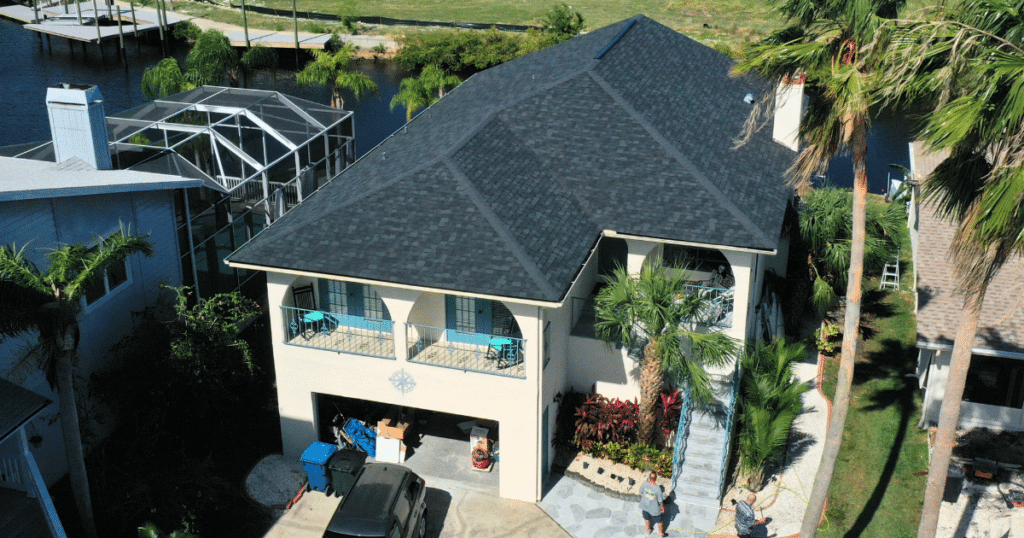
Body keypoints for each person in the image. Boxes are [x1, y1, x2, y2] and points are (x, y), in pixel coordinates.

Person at [638, 469, 667, 536]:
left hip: (644, 505)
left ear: (649, 477)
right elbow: (660, 501)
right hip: (654, 509)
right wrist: (662, 507)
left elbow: (641, 492)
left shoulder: (644, 484)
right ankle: (660, 533)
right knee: (659, 521)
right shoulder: (658, 489)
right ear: (656, 478)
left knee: (646, 518)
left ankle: (648, 530)